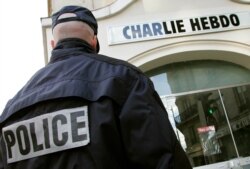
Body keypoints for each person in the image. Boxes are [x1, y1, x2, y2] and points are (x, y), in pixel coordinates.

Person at [0, 5, 192, 169]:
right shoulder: (125, 80)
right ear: (94, 41)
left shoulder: (11, 111)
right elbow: (164, 160)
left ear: (53, 44)